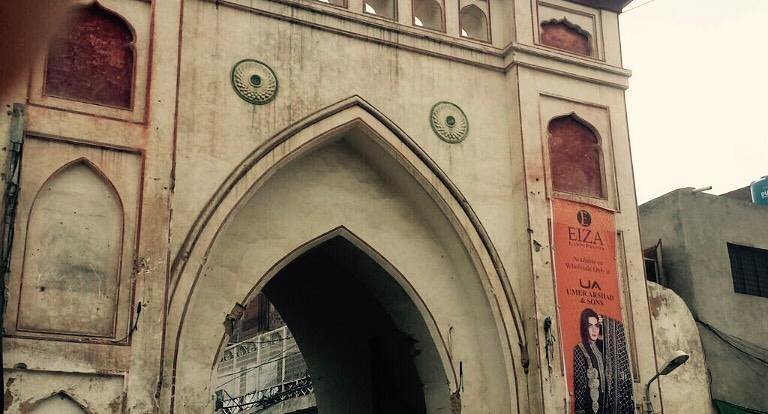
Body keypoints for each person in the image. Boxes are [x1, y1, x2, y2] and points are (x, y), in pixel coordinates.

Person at [573, 308, 634, 414]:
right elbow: (579, 384)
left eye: (596, 326)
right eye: (590, 326)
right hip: (590, 408)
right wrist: (580, 410)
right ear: (584, 327)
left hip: (607, 407)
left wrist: (606, 322)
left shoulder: (604, 349)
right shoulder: (580, 349)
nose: (594, 330)